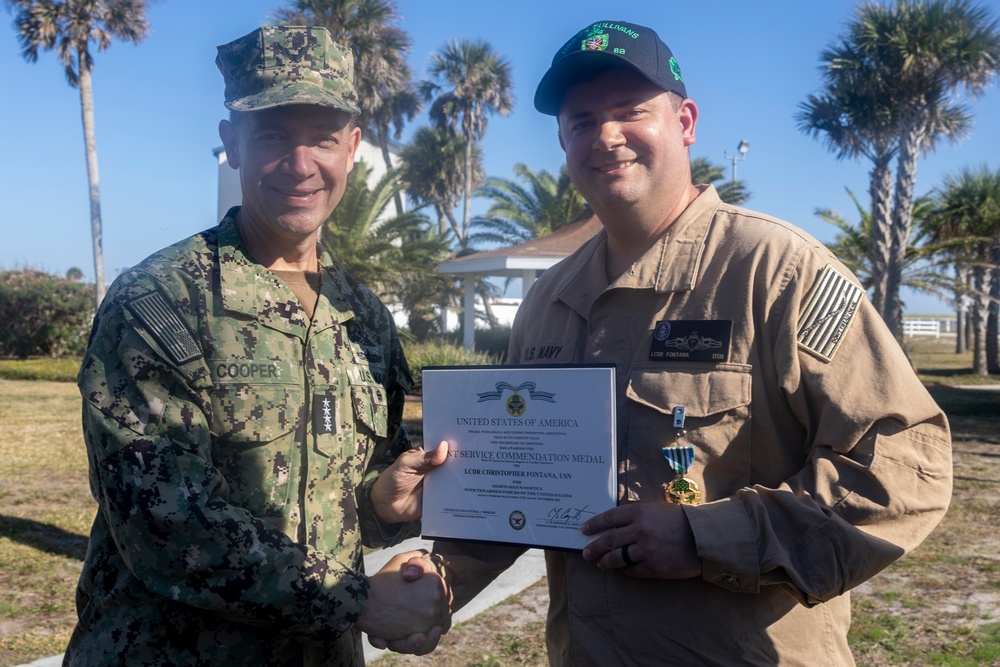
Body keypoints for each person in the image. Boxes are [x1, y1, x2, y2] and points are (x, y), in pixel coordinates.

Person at [432, 19, 953, 666]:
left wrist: (705, 537)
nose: (607, 136)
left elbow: (905, 467)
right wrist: (439, 580)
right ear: (563, 139)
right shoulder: (548, 302)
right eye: (583, 120)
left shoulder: (780, 271)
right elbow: (518, 486)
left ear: (685, 122)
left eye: (630, 111)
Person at [65, 25, 451, 666]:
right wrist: (355, 601)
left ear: (352, 147)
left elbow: (331, 501)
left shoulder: (365, 317)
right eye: (272, 134)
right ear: (232, 145)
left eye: (323, 137)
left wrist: (381, 503)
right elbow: (164, 524)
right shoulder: (160, 301)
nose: (300, 165)